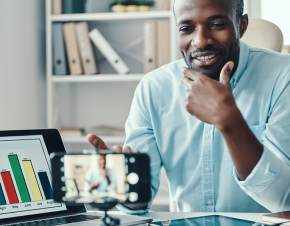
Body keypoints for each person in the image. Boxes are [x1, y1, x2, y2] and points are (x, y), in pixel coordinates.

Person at [88, 0, 290, 214]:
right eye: (186, 29)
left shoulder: (283, 77)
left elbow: (284, 200)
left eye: (217, 25)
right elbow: (138, 203)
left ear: (241, 25)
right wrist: (123, 182)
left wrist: (229, 121)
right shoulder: (153, 88)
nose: (201, 41)